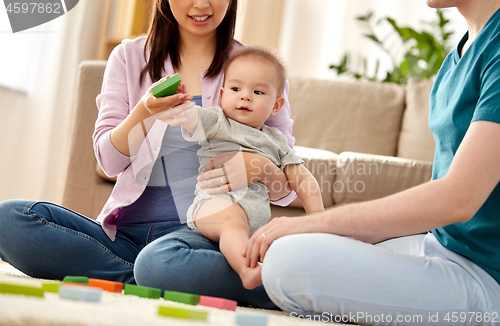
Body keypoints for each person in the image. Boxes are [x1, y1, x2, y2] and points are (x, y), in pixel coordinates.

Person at [0, 0, 296, 309]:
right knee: (9, 219)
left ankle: (168, 275)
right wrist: (142, 113)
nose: (201, 4)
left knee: (162, 262)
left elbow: (287, 190)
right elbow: (110, 162)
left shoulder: (258, 71)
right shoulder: (129, 57)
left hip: (201, 240)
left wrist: (260, 167)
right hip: (124, 238)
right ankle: (152, 278)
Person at [244, 0, 500, 324]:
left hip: (485, 277)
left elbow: (459, 198)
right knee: (297, 249)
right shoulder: (457, 58)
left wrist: (310, 223)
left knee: (286, 262)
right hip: (436, 246)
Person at [173, 47, 323, 290]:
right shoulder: (218, 120)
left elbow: (301, 177)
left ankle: (275, 274)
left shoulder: (276, 141)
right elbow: (193, 119)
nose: (245, 96)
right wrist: (182, 107)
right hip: (214, 205)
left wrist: (317, 218)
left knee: (278, 244)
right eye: (235, 89)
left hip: (255, 222)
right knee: (233, 223)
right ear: (222, 94)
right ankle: (248, 272)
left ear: (276, 105)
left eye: (257, 91)